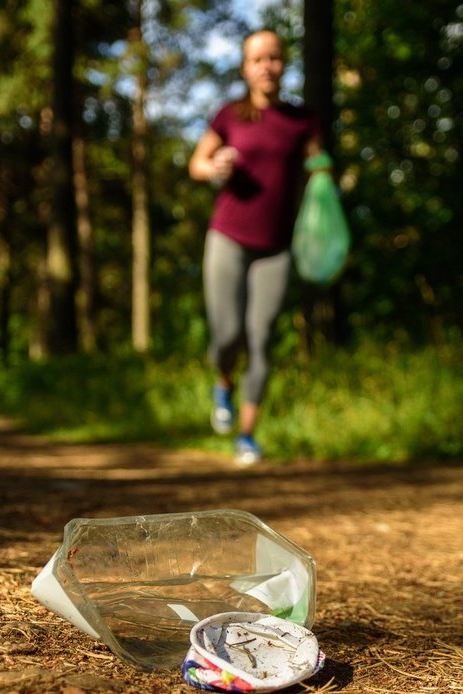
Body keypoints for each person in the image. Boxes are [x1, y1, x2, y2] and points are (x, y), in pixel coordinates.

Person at [188, 29, 322, 465]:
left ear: (284, 64)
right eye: (258, 59)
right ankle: (223, 381)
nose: (267, 65)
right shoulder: (229, 116)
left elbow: (318, 168)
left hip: (277, 247)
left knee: (261, 338)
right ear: (246, 68)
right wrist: (215, 166)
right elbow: (197, 162)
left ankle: (246, 435)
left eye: (275, 58)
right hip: (227, 236)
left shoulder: (302, 121)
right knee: (228, 335)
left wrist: (325, 182)